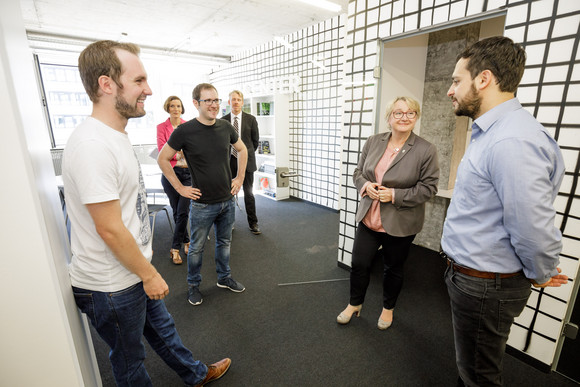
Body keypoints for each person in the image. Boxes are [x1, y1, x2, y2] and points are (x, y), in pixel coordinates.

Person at [62, 40, 230, 387]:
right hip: (111, 285)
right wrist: (150, 274)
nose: (149, 90)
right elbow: (109, 229)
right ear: (107, 85)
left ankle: (196, 374)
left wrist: (144, 270)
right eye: (139, 81)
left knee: (164, 333)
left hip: (131, 272)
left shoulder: (114, 135)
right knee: (130, 363)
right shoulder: (93, 145)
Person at [442, 36, 568, 386]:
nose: (451, 91)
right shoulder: (491, 132)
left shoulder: (512, 140)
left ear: (483, 79)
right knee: (472, 367)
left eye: (456, 80)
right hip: (472, 278)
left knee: (479, 376)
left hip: (486, 286)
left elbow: (531, 228)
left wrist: (541, 271)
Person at [337, 96, 439, 330]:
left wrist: (394, 195)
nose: (404, 117)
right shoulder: (373, 141)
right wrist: (365, 186)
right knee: (360, 264)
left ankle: (388, 308)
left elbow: (428, 188)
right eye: (398, 113)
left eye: (410, 113)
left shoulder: (425, 149)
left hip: (400, 222)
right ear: (389, 118)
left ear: (416, 117)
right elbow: (358, 172)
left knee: (393, 268)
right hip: (369, 217)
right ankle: (355, 303)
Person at [158, 83, 248, 306]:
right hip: (201, 204)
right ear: (196, 104)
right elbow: (162, 159)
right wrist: (180, 188)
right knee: (197, 248)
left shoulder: (226, 127)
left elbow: (243, 149)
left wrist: (240, 178)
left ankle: (224, 278)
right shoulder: (184, 131)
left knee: (224, 243)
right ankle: (193, 286)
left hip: (226, 200)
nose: (213, 105)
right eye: (208, 100)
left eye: (216, 100)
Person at [221, 90, 261, 235]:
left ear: (242, 102)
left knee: (249, 193)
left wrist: (244, 154)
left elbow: (255, 142)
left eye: (238, 99)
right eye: (233, 99)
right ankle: (229, 223)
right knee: (229, 194)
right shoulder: (223, 120)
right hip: (228, 162)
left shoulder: (251, 119)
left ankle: (253, 223)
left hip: (247, 162)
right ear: (229, 102)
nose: (236, 102)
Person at [157, 96, 191, 264]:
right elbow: (162, 152)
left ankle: (174, 248)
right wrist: (179, 152)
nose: (176, 108)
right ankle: (187, 241)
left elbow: (191, 151)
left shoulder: (188, 126)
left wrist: (175, 152)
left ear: (182, 108)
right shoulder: (161, 127)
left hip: (188, 175)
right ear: (168, 108)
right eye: (172, 106)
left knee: (183, 210)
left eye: (178, 106)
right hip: (170, 174)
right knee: (178, 211)